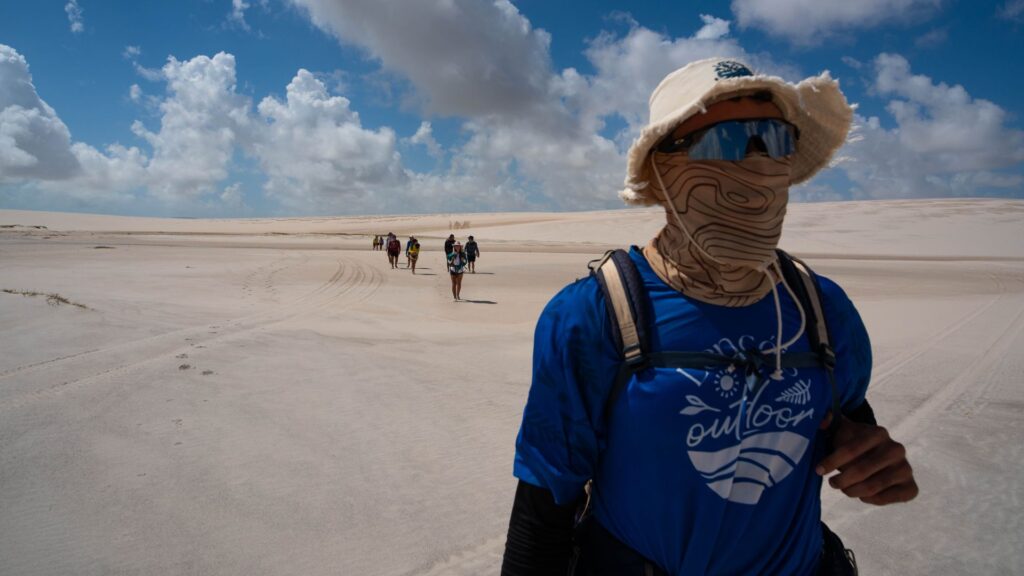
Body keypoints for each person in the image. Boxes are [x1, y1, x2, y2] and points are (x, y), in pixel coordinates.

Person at [501, 58, 917, 576]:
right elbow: (545, 503)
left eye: (776, 139)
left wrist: (867, 456)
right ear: (664, 167)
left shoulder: (822, 307)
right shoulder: (594, 314)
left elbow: (845, 416)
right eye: (727, 140)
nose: (760, 163)